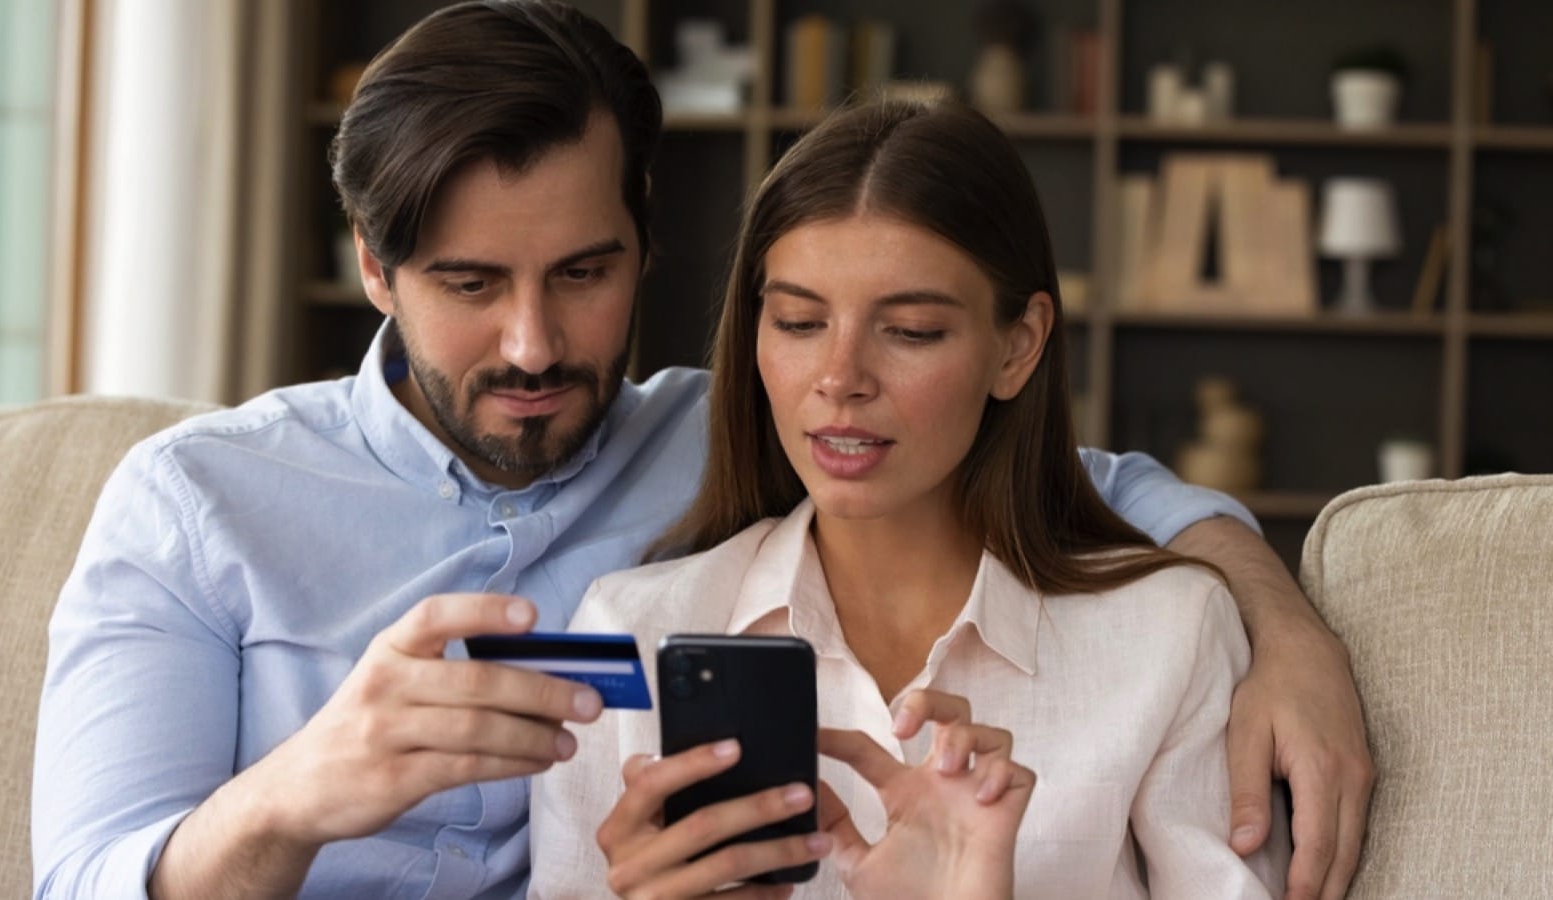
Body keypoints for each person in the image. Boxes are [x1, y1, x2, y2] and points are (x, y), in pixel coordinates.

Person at [30, 2, 1369, 899]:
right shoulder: (197, 502)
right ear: (374, 269)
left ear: (650, 247)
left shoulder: (756, 427)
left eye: (585, 272)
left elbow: (1077, 483)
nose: (536, 344)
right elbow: (83, 875)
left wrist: (1283, 622)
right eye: (469, 284)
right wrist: (295, 797)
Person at [528, 98, 1288, 899]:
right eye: (797, 322)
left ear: (1018, 348)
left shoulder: (1168, 636)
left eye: (912, 331)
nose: (840, 378)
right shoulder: (633, 632)